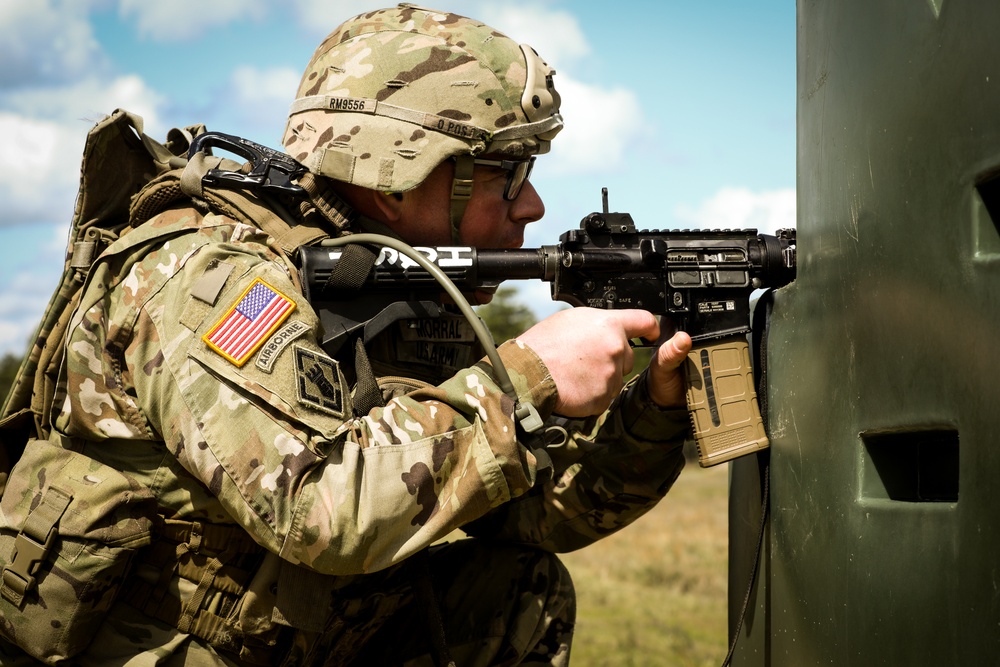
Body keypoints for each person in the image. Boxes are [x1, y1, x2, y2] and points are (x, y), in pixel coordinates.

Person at [0, 5, 693, 666]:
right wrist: (526, 379)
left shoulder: (392, 280)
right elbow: (317, 510)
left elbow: (538, 512)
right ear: (398, 176)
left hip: (278, 634)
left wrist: (654, 410)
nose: (533, 205)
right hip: (156, 645)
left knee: (514, 593)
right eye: (507, 174)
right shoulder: (209, 273)